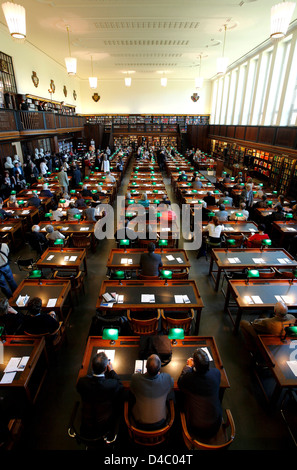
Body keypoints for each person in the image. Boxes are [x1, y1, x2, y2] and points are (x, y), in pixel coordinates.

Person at [177, 348, 223, 440]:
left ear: (194, 364)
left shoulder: (190, 378)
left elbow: (180, 383)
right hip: (215, 425)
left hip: (195, 428)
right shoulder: (216, 373)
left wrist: (188, 367)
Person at [76, 352, 124, 438]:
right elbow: (120, 385)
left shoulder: (82, 382)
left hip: (87, 426)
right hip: (105, 426)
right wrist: (112, 370)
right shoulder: (111, 385)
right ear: (106, 368)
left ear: (91, 365)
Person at [130, 354, 174, 430]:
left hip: (139, 422)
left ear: (146, 366)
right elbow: (171, 387)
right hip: (161, 422)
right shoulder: (167, 378)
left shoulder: (135, 378)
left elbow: (132, 392)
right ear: (159, 369)